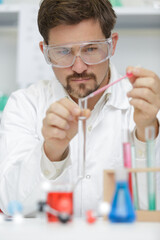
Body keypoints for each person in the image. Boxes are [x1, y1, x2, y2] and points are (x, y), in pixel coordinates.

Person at [0, 0, 160, 217]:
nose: (78, 67)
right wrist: (52, 152)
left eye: (91, 49)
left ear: (112, 44)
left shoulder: (149, 104)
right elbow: (11, 205)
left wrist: (146, 133)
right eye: (63, 51)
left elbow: (152, 209)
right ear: (44, 51)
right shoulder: (25, 105)